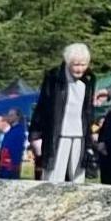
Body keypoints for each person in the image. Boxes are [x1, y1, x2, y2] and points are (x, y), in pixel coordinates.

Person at [29, 43, 96, 184]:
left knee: (78, 176)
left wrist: (90, 137)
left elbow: (88, 111)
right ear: (67, 62)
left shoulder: (89, 80)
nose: (80, 69)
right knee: (53, 175)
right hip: (57, 133)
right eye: (75, 64)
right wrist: (35, 134)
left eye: (83, 65)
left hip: (80, 134)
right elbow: (42, 106)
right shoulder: (53, 78)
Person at [0, 111, 27, 180]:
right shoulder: (10, 131)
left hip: (10, 166)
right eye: (8, 115)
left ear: (17, 117)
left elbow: (16, 150)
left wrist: (14, 166)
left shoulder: (19, 131)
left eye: (11, 115)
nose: (9, 117)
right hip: (4, 165)